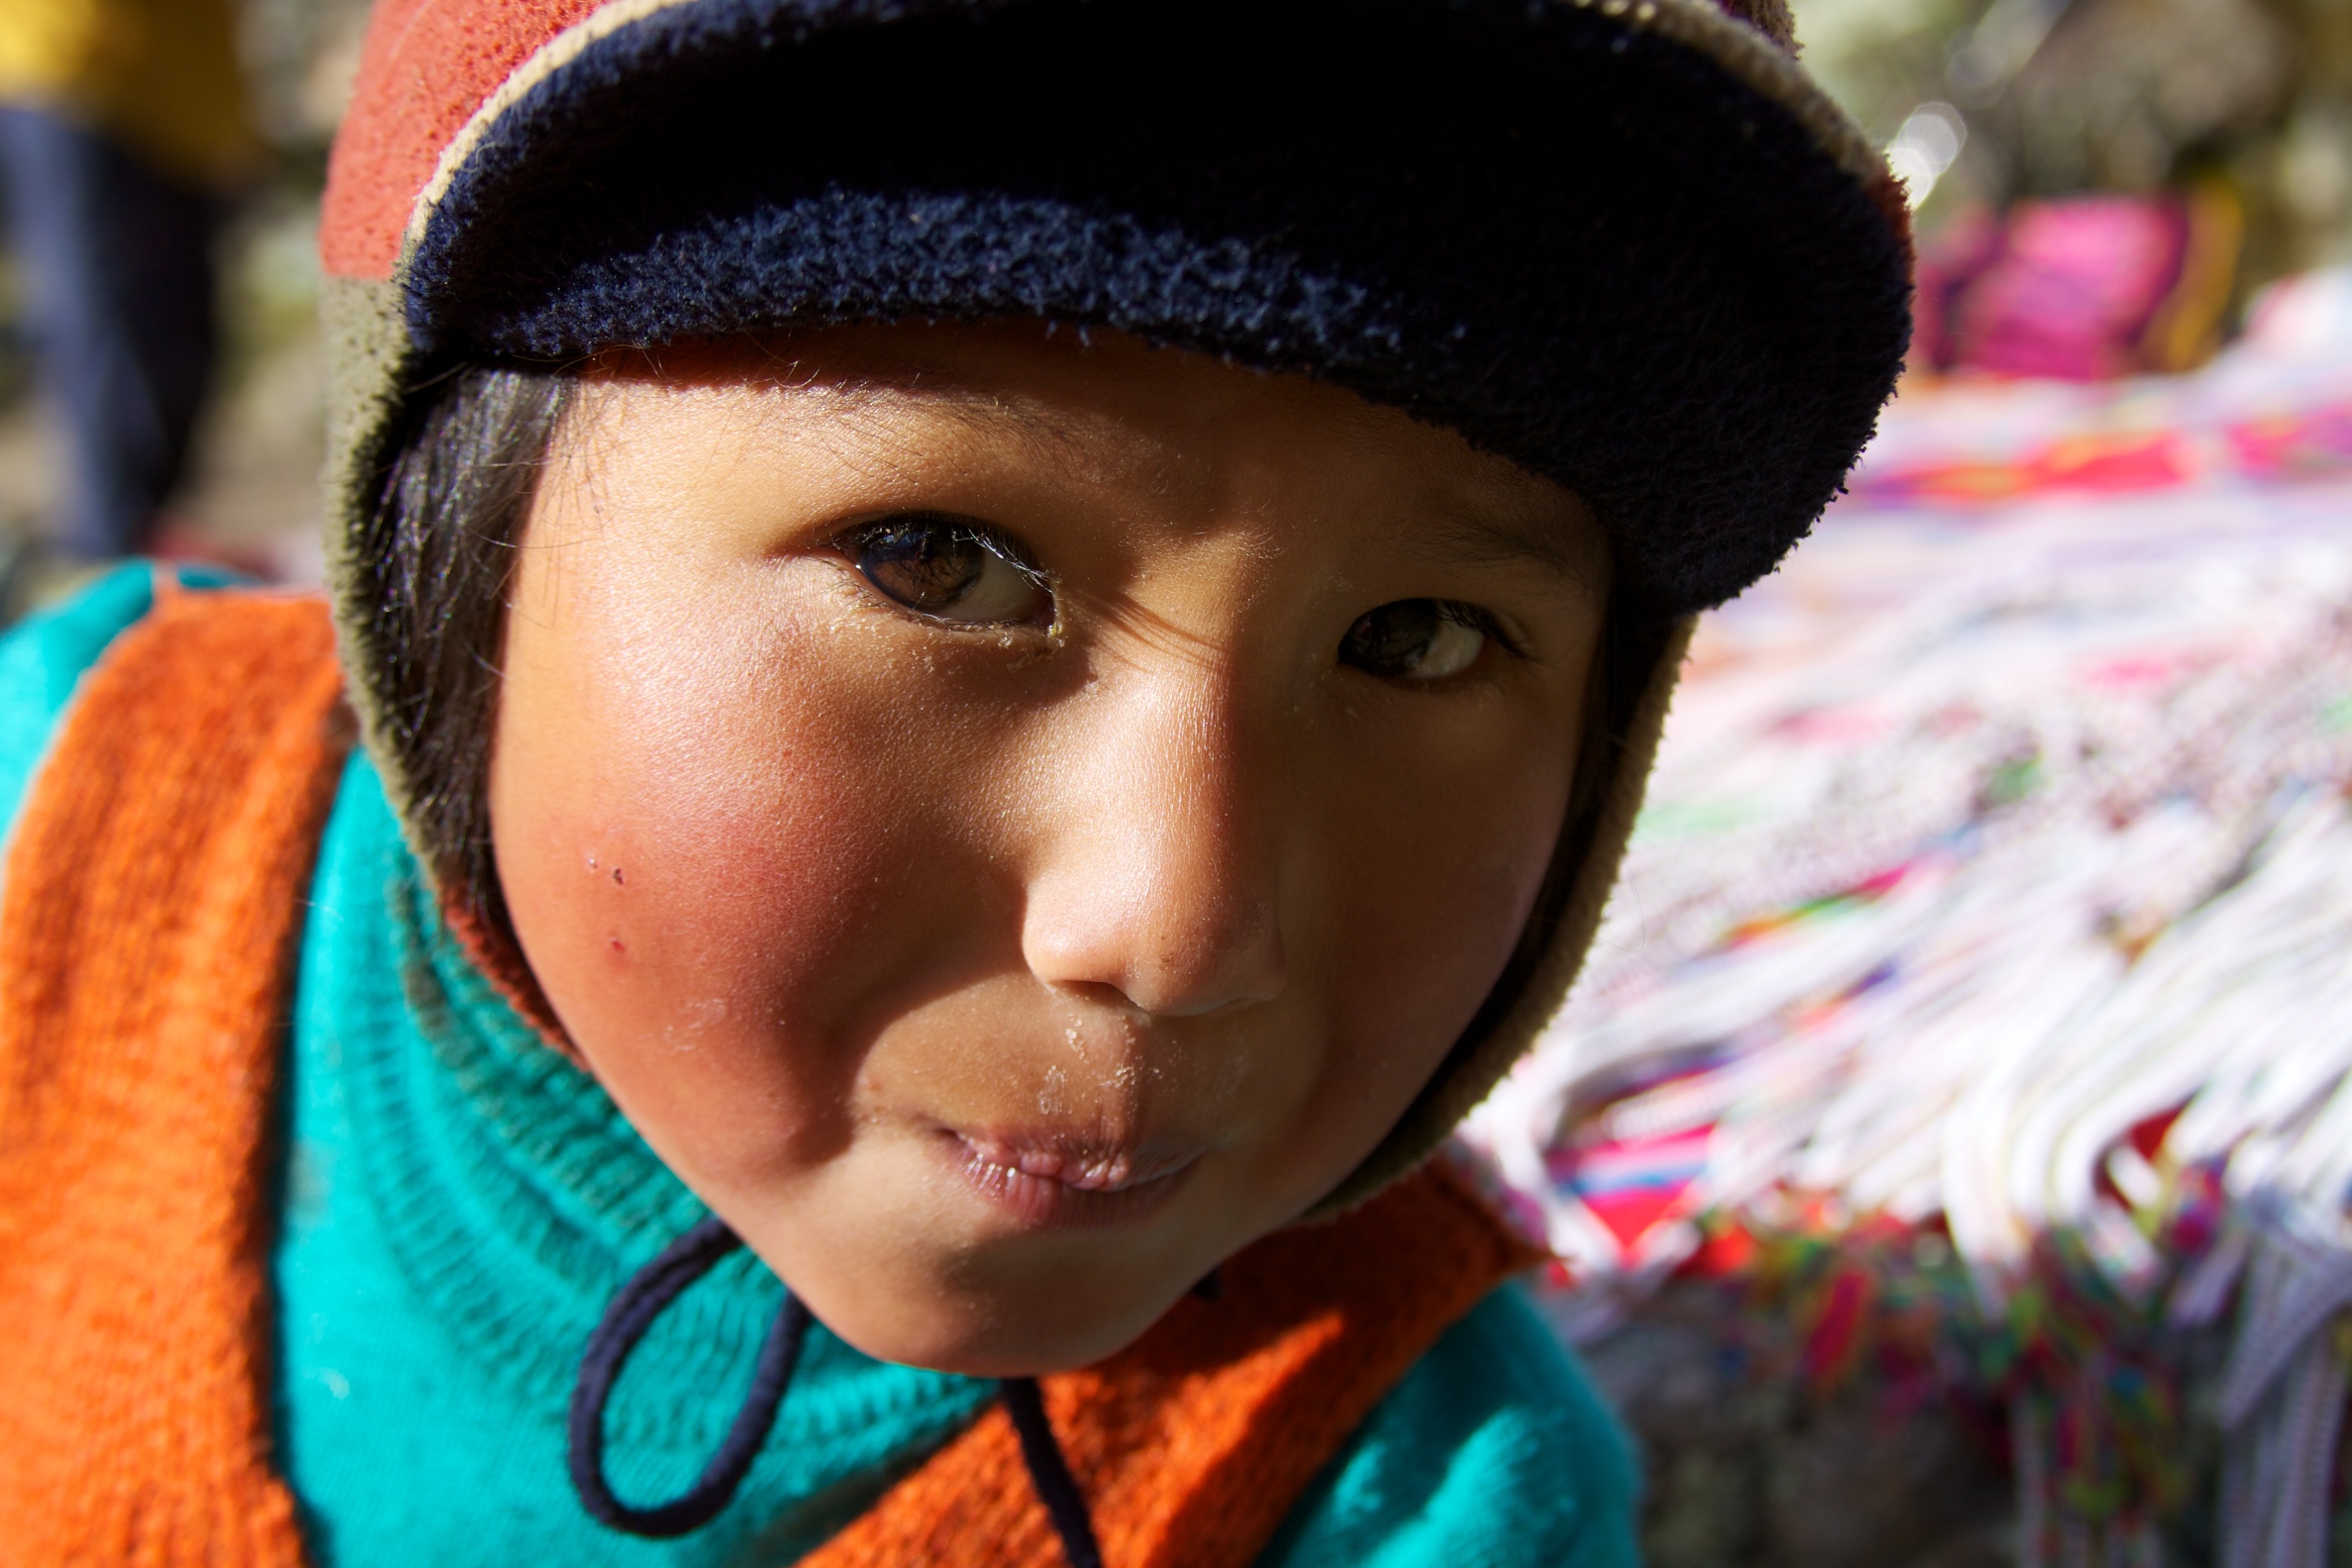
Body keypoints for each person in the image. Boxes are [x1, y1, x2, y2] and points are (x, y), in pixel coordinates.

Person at [0, 1, 1911, 1564]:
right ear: (434, 546)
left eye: (1415, 639)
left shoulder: (1399, 1502)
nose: (1171, 928)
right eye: (935, 560)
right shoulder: (68, 803)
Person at [0, 0, 256, 564]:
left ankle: (137, 542)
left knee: (179, 338)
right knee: (110, 331)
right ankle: (105, 563)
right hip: (79, 69)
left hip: (183, 100)